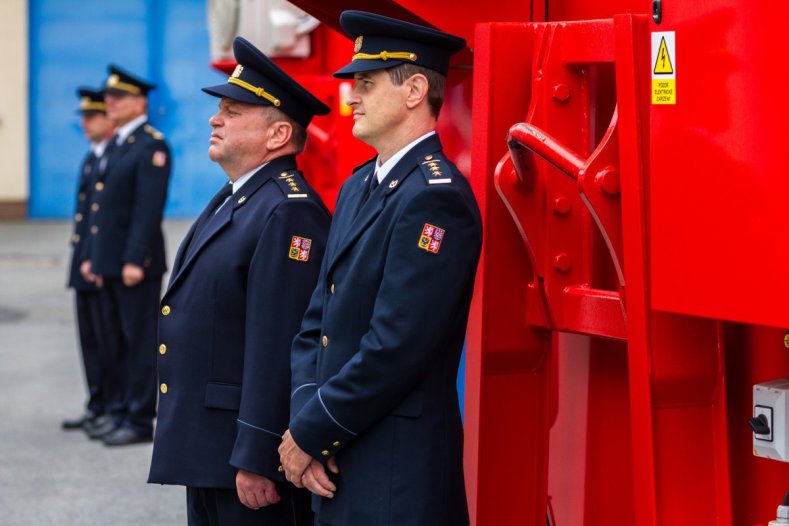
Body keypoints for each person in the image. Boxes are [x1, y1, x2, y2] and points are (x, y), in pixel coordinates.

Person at [279, 10, 482, 526]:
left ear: (415, 90)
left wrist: (312, 431)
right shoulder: (358, 185)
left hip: (396, 466)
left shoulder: (436, 200)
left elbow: (396, 345)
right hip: (339, 446)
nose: (352, 97)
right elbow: (315, 322)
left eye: (366, 84)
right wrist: (308, 419)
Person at [148, 36, 331, 526]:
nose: (215, 118)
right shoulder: (241, 197)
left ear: (276, 136)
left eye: (233, 110)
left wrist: (258, 453)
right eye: (220, 109)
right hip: (209, 447)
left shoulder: (289, 211)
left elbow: (280, 342)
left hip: (242, 458)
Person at [81, 64, 172, 446]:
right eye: (109, 97)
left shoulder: (151, 145)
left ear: (140, 102)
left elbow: (146, 210)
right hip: (111, 262)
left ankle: (138, 418)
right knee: (114, 339)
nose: (109, 103)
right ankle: (119, 409)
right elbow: (103, 209)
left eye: (117, 97)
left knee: (137, 343)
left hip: (135, 263)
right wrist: (96, 258)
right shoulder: (118, 144)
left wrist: (134, 260)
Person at [62, 87, 116, 431]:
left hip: (100, 262)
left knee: (108, 338)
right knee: (90, 339)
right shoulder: (93, 156)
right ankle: (97, 403)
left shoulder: (115, 154)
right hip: (85, 260)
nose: (85, 123)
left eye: (92, 116)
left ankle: (112, 405)